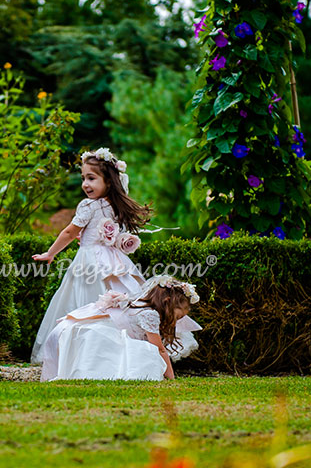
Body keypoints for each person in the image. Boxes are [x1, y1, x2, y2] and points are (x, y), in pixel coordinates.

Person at [30, 147, 152, 364]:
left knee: (84, 300)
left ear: (108, 181)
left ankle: (83, 354)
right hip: (115, 260)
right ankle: (116, 350)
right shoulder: (115, 205)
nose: (85, 184)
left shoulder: (88, 205)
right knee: (116, 300)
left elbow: (69, 232)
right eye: (83, 178)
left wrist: (50, 253)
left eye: (91, 178)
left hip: (89, 262)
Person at [40, 275, 202, 381]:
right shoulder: (150, 314)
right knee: (138, 354)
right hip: (94, 331)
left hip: (97, 327)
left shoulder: (141, 307)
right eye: (179, 316)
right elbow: (159, 349)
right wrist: (171, 378)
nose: (177, 321)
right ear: (167, 302)